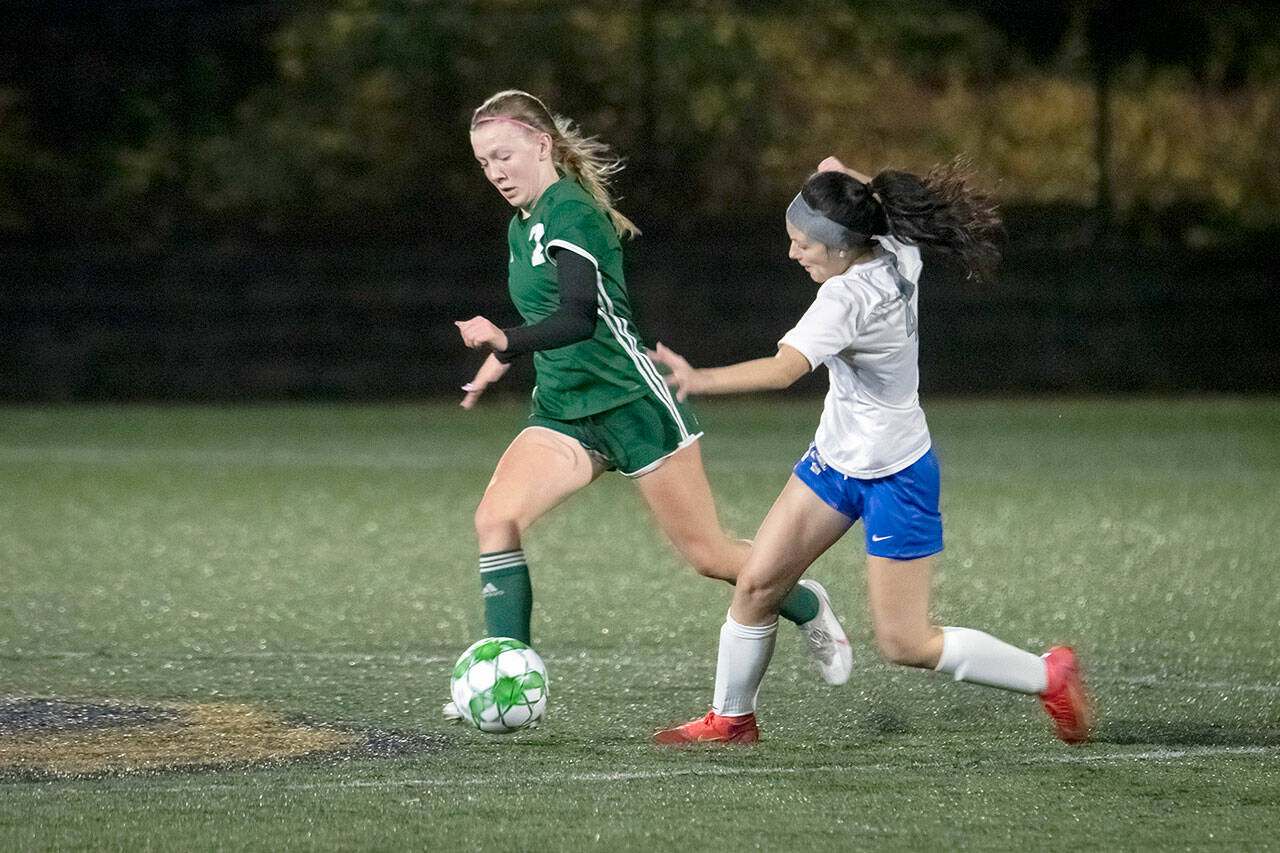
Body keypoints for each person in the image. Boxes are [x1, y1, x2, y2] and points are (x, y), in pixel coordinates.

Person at [651, 156, 1092, 745]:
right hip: (835, 462)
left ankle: (1049, 675)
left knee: (905, 643)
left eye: (803, 243)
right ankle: (731, 720)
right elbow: (837, 171)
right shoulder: (892, 238)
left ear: (839, 249)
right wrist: (836, 183)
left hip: (896, 474)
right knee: (757, 584)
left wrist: (699, 380)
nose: (792, 254)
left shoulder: (845, 300)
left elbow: (785, 371)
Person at [446, 91, 854, 719]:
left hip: (635, 405)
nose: (495, 172)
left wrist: (505, 340)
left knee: (710, 556)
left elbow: (580, 318)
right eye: (483, 163)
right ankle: (508, 675)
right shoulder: (521, 223)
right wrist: (501, 357)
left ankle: (806, 604)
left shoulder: (572, 215)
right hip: (563, 411)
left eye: (503, 156)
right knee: (494, 521)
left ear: (542, 146)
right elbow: (541, 315)